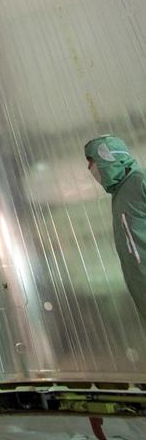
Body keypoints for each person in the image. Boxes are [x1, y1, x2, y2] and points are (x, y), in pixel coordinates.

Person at [85, 135, 146, 325]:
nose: (89, 168)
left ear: (108, 155)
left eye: (92, 161)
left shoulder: (139, 180)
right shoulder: (120, 194)